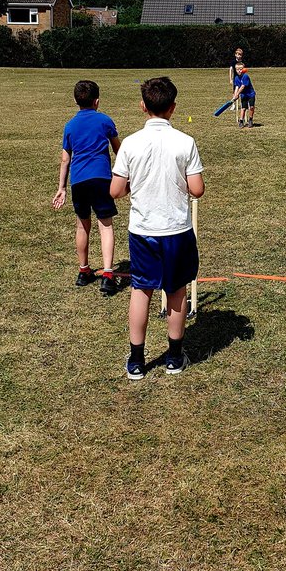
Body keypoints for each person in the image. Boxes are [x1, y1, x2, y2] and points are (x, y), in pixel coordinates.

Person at [110, 76, 205, 380]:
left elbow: (116, 190)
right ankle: (174, 358)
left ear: (142, 106)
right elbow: (197, 188)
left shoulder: (131, 144)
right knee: (176, 291)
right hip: (176, 230)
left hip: (144, 230)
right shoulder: (185, 142)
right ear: (173, 108)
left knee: (141, 289)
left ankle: (137, 360)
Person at [52, 79, 121, 296]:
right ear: (97, 101)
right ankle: (108, 275)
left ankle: (83, 270)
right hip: (101, 178)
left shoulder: (70, 125)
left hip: (79, 181)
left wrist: (61, 187)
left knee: (82, 226)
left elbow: (65, 159)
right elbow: (119, 149)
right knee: (105, 225)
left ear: (76, 101)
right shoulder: (105, 121)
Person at [232, 63, 256, 129]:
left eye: (241, 69)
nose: (239, 71)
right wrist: (235, 95)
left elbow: (242, 87)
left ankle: (250, 120)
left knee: (251, 107)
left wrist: (237, 94)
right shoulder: (236, 78)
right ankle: (241, 121)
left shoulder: (245, 76)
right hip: (243, 95)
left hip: (251, 94)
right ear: (235, 70)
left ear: (243, 69)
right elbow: (237, 86)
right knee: (243, 108)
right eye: (237, 69)